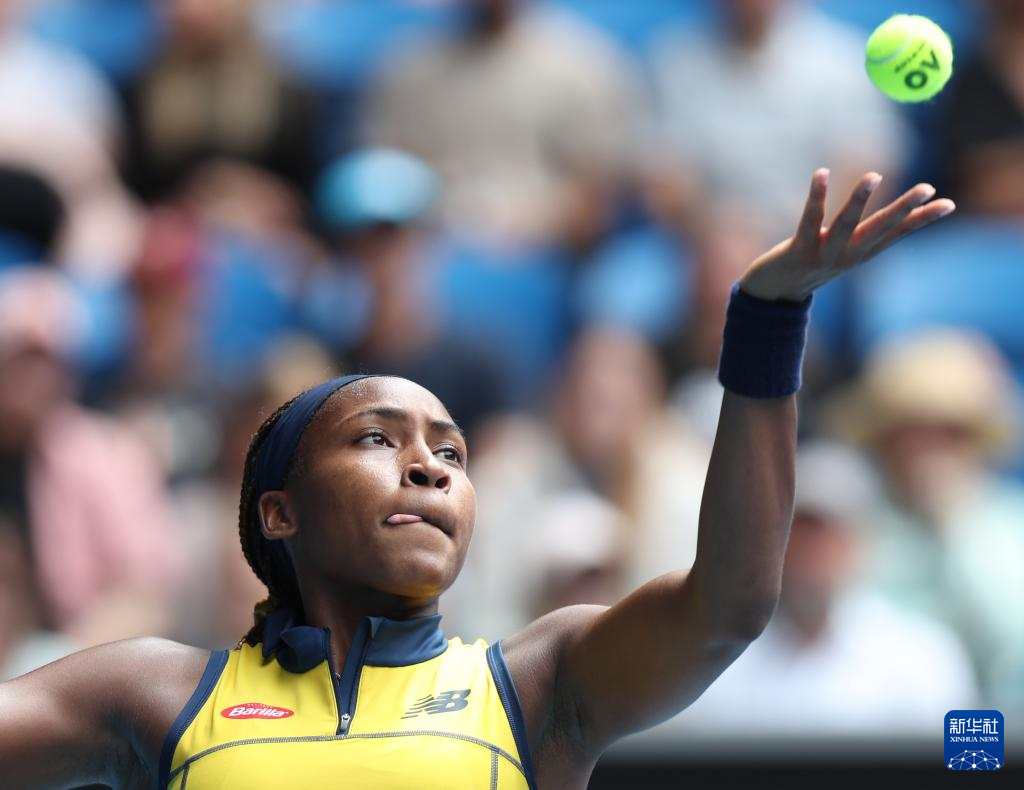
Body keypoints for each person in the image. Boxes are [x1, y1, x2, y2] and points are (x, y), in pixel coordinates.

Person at [0, 170, 953, 788]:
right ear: (279, 512)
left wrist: (769, 319)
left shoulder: (539, 685)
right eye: (376, 439)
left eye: (452, 454)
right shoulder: (156, 693)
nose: (428, 465)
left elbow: (731, 604)